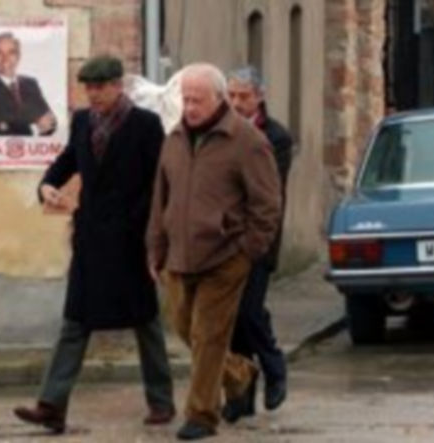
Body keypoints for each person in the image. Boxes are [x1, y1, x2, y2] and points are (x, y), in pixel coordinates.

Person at [13, 55, 175, 434]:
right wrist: (47, 184)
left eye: (100, 87)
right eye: (88, 87)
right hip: (89, 238)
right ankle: (51, 405)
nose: (94, 94)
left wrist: (144, 230)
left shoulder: (146, 126)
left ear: (118, 86)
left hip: (130, 241)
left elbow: (160, 184)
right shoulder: (84, 121)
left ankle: (161, 401)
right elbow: (69, 159)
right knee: (75, 321)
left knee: (145, 322)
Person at [146, 63, 282, 441]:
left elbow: (267, 204)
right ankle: (241, 372)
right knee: (185, 328)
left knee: (208, 334)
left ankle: (202, 415)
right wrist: (155, 248)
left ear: (219, 99)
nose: (189, 107)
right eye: (185, 99)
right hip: (180, 255)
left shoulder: (246, 141)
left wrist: (248, 249)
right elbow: (161, 199)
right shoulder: (174, 139)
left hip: (225, 256)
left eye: (197, 100)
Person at [223, 66, 293, 422]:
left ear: (259, 97)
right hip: (224, 241)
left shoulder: (275, 136)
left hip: (259, 240)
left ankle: (274, 366)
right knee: (232, 319)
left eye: (244, 96)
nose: (236, 103)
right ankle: (240, 395)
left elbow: (267, 190)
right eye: (231, 96)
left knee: (249, 310)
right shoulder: (218, 131)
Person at [0, 32, 57, 136]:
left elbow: (51, 121)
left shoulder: (31, 84)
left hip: (37, 150)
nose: (5, 58)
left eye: (11, 52)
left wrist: (12, 122)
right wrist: (36, 125)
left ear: (18, 56)